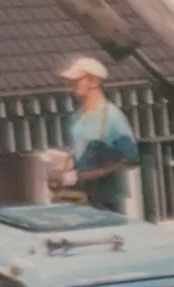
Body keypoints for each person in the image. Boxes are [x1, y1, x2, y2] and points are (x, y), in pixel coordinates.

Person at [55, 55, 139, 213]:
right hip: (80, 197)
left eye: (76, 81)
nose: (71, 86)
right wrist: (63, 167)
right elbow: (76, 150)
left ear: (94, 82)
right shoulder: (76, 117)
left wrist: (92, 174)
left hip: (108, 200)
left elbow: (130, 159)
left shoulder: (112, 118)